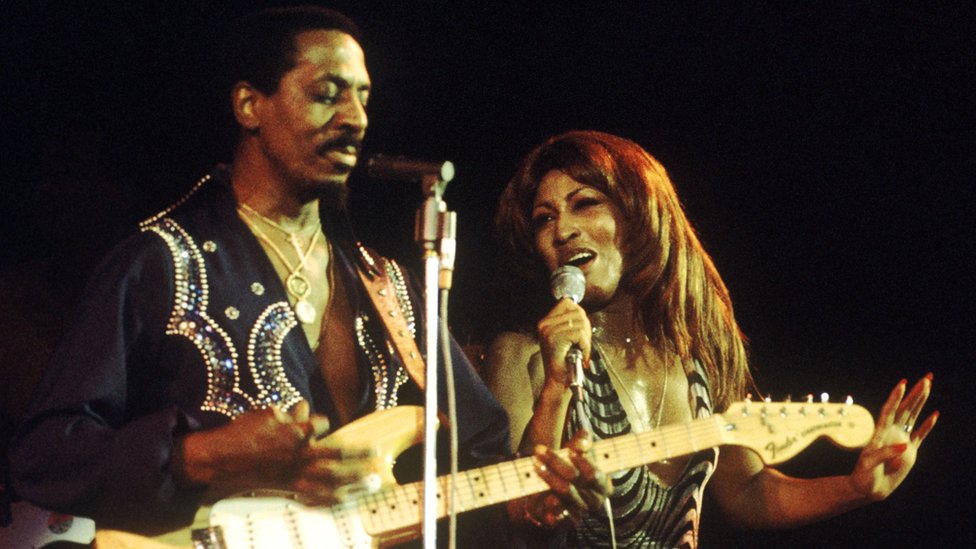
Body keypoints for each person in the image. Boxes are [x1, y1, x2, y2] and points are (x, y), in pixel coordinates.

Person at [6, 6, 514, 547]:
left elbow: (481, 446)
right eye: (328, 93)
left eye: (363, 96)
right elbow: (46, 454)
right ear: (250, 105)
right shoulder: (159, 263)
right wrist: (200, 455)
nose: (356, 118)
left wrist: (532, 503)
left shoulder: (391, 285)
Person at [484, 130, 938, 548]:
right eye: (545, 218)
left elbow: (745, 492)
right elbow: (511, 516)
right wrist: (558, 387)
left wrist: (855, 488)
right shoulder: (522, 355)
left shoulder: (696, 357)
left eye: (585, 204)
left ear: (641, 213)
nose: (563, 230)